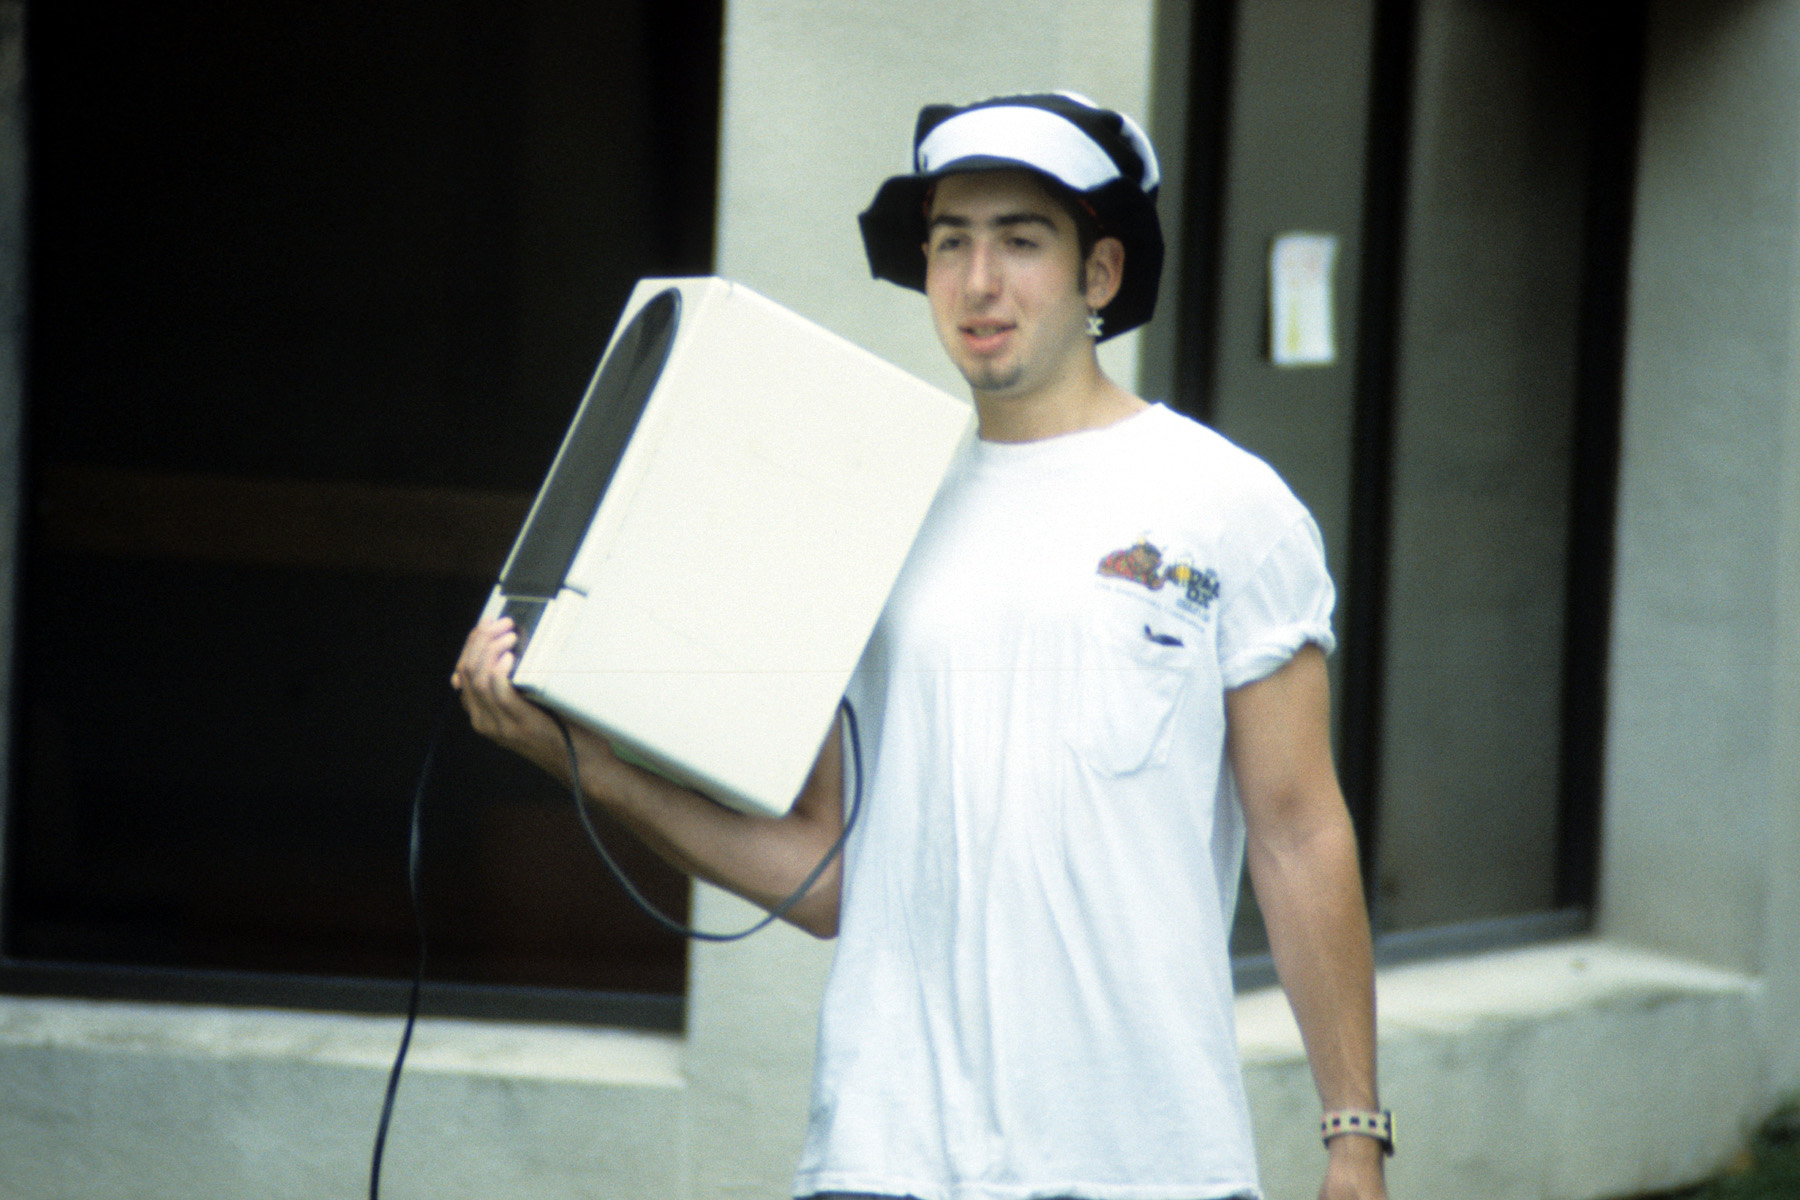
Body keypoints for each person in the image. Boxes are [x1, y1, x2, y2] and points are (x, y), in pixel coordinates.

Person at [455, 91, 1389, 1200]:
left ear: (1100, 274)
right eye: (951, 242)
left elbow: (1298, 832)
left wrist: (1353, 1135)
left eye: (1021, 241)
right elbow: (828, 878)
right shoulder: (871, 518)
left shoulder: (1229, 506)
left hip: (1144, 1162)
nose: (978, 281)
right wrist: (590, 766)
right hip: (880, 1154)